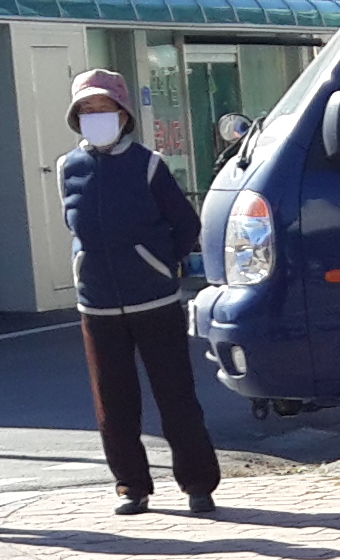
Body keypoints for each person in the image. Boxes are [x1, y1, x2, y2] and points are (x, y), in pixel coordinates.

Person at [58, 69, 219, 517]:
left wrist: (159, 263)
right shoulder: (68, 167)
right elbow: (74, 227)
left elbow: (185, 224)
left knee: (176, 396)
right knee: (113, 403)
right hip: (97, 304)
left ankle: (198, 484)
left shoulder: (149, 164)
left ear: (123, 114)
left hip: (155, 300)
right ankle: (131, 486)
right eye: (86, 110)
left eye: (104, 108)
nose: (96, 116)